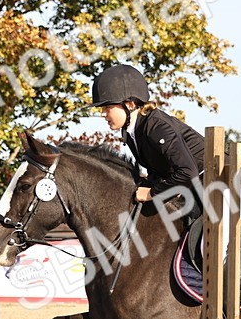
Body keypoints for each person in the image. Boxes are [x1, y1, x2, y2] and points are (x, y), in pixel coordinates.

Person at [88, 64, 205, 219]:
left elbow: (188, 172)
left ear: (129, 104)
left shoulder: (156, 127)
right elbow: (158, 169)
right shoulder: (132, 131)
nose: (103, 114)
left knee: (201, 240)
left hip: (219, 181)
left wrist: (152, 193)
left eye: (108, 107)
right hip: (195, 186)